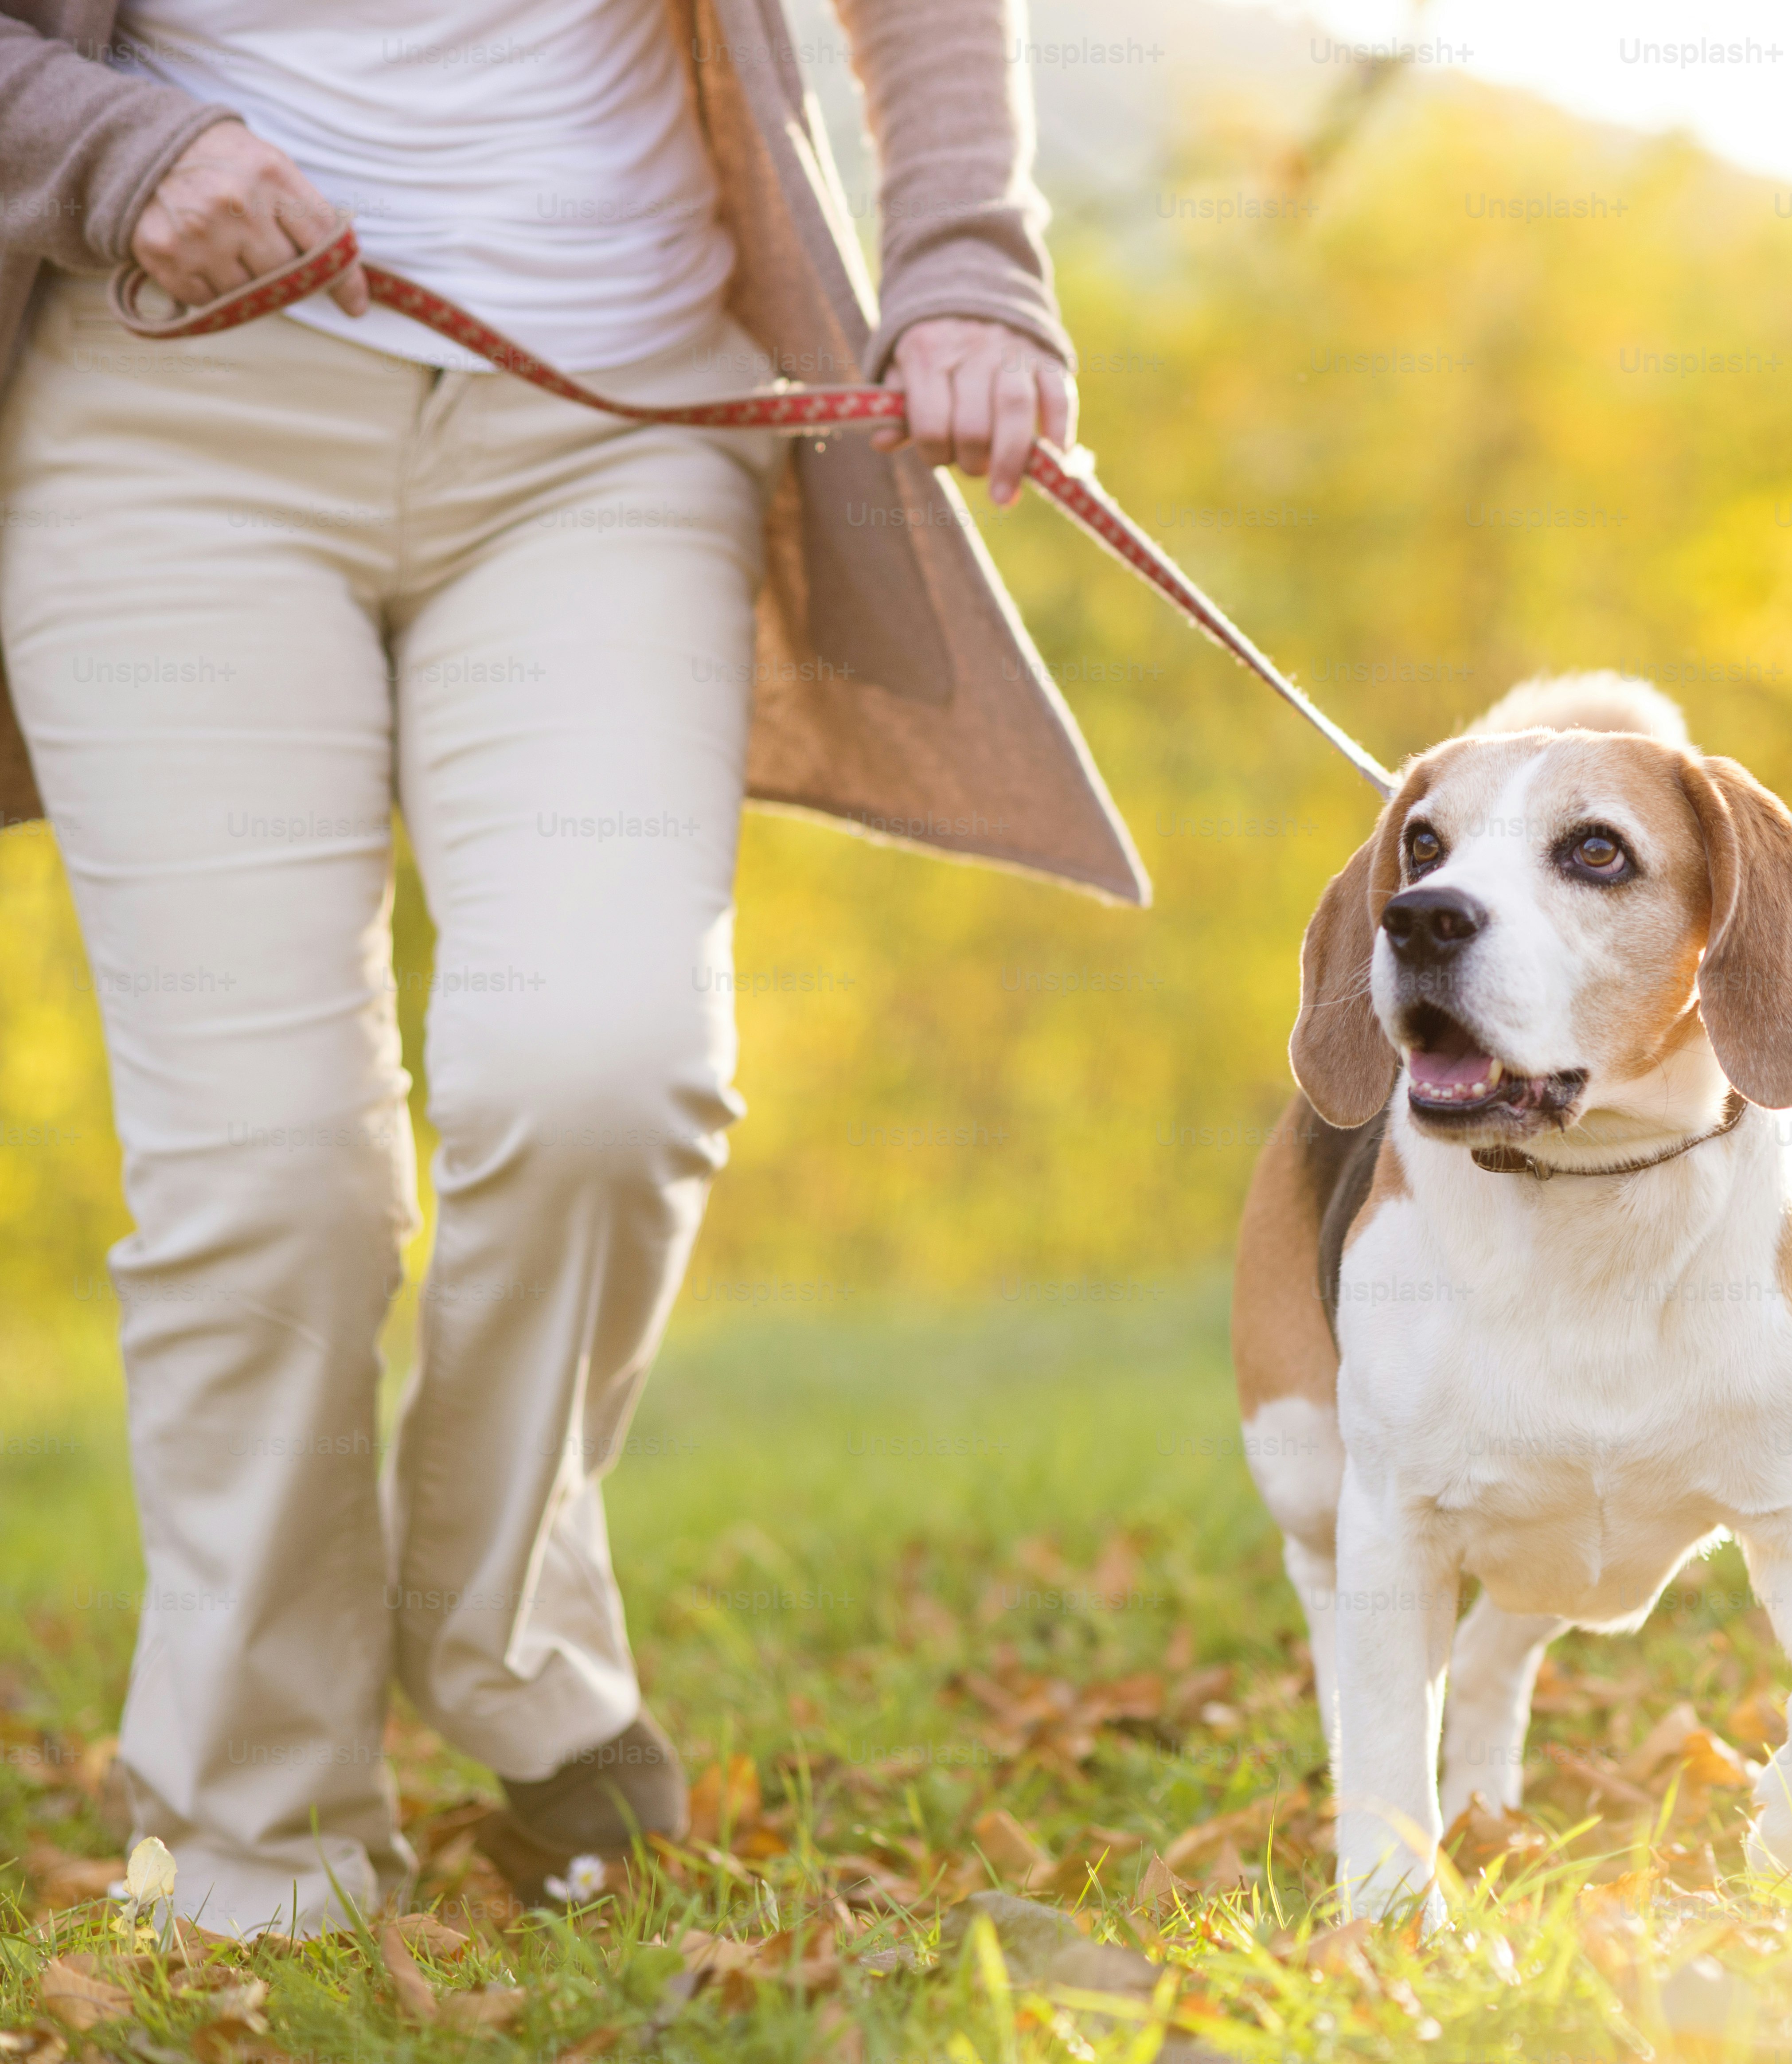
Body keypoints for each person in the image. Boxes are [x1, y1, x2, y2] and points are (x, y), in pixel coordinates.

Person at [0, 0, 1145, 1935]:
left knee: (606, 1075)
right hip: (166, 431)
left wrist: (964, 267)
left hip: (615, 422)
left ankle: (504, 1639)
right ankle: (258, 1844)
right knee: (265, 1180)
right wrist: (115, 149)